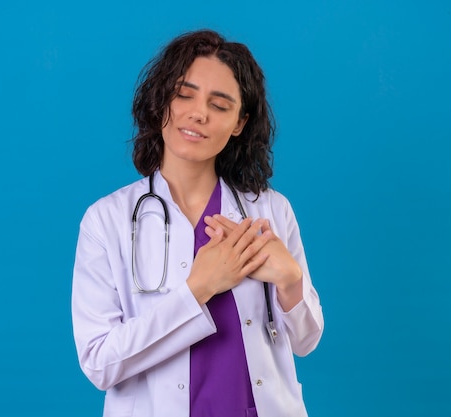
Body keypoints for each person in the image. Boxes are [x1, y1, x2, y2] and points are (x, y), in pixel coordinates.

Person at [72, 29, 324, 417]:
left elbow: (306, 341)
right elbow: (99, 362)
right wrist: (198, 288)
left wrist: (291, 282)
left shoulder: (271, 211)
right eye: (184, 94)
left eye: (220, 105)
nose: (198, 113)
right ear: (161, 102)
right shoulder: (107, 221)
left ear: (240, 123)